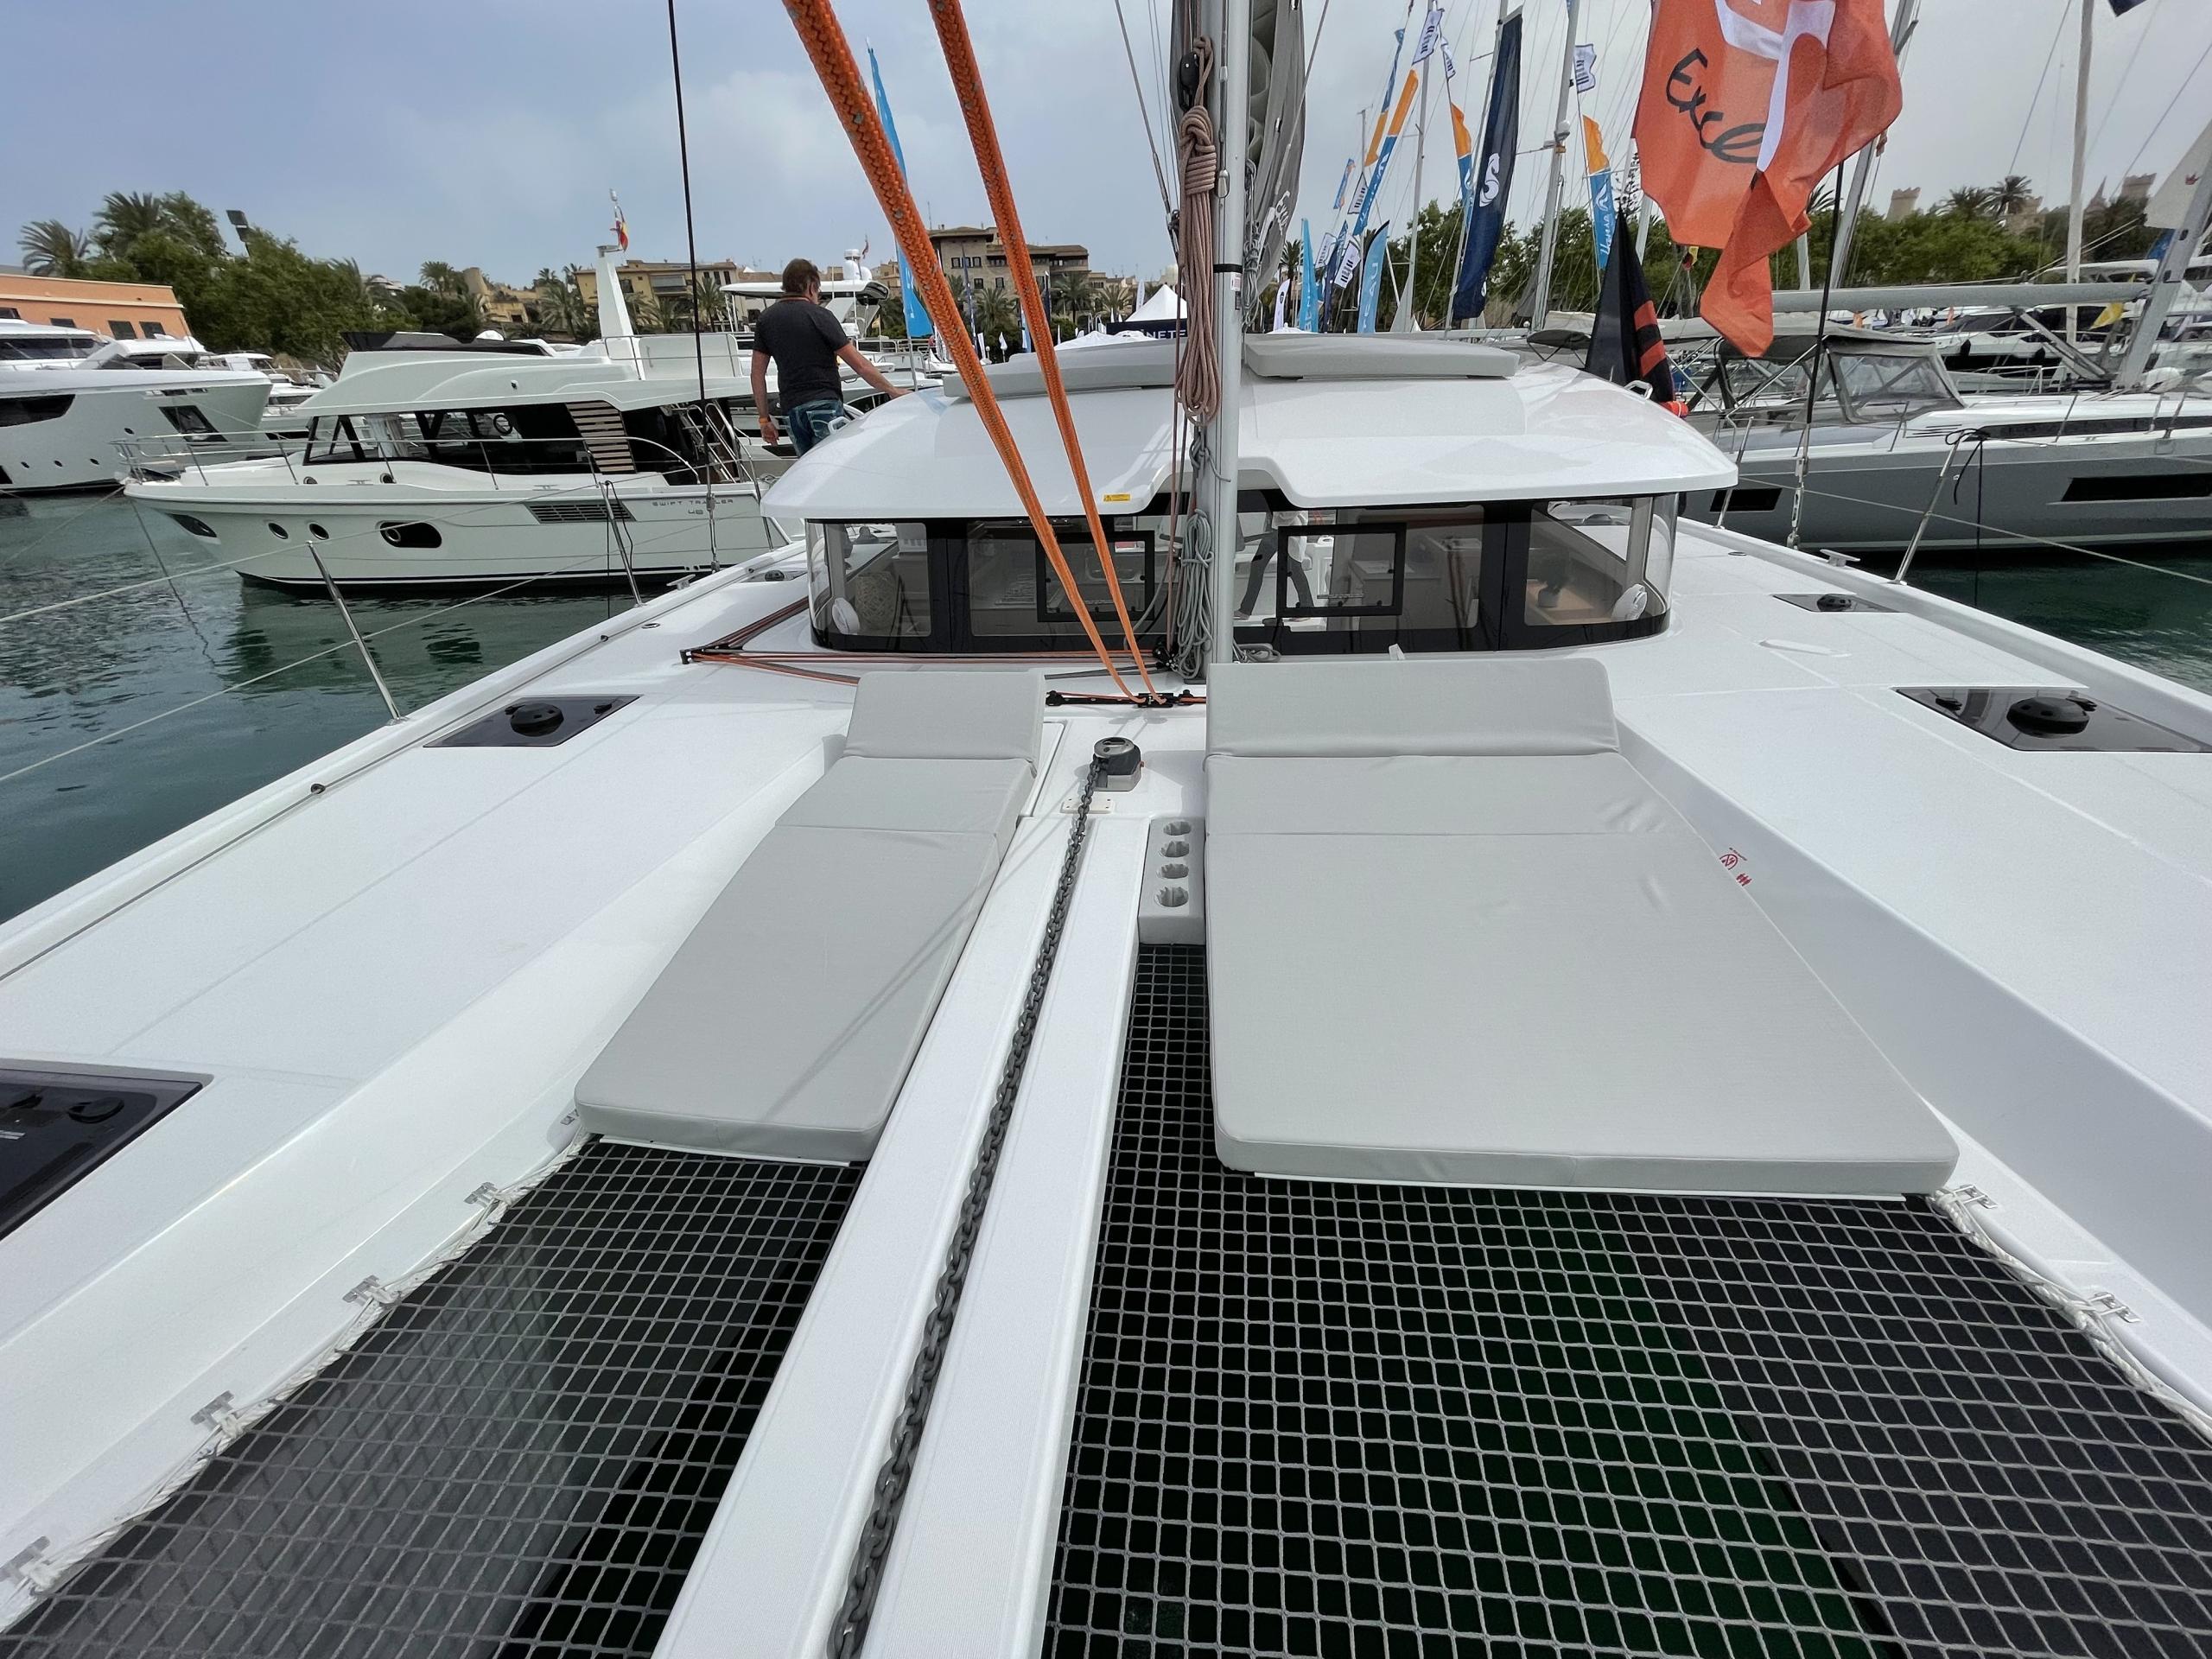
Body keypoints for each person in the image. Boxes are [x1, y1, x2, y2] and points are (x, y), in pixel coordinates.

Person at [749, 257, 906, 455]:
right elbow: (859, 365)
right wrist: (892, 390)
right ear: (811, 287)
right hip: (824, 404)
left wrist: (764, 419)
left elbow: (757, 374)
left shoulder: (766, 320)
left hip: (792, 409)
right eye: (818, 290)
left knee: (810, 467)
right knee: (833, 463)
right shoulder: (821, 316)